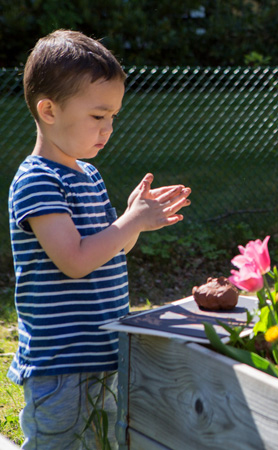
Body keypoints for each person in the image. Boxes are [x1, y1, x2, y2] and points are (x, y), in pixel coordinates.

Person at [8, 30, 191, 449]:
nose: (108, 128)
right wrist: (128, 222)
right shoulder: (37, 180)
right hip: (62, 365)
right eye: (97, 116)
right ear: (49, 110)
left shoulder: (87, 175)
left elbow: (112, 249)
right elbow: (74, 259)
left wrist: (134, 222)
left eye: (113, 117)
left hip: (104, 351)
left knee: (101, 442)